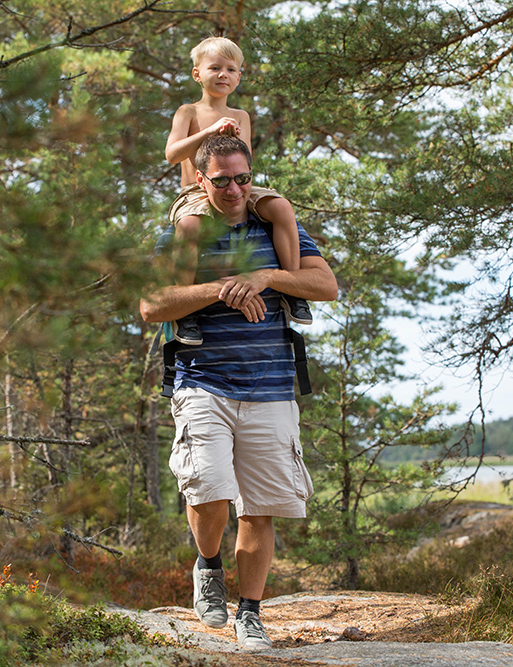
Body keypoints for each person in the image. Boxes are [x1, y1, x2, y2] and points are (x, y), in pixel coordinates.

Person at [139, 135, 338, 650]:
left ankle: (249, 612)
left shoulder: (275, 228)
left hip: (272, 386)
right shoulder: (184, 233)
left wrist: (267, 275)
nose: (233, 189)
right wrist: (221, 287)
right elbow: (151, 304)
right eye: (222, 180)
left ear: (252, 177)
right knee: (209, 493)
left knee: (260, 507)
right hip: (202, 381)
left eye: (242, 178)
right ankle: (208, 565)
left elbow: (326, 286)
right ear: (201, 180)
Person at [164, 36, 312, 345]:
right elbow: (172, 153)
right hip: (196, 192)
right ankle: (184, 308)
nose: (223, 75)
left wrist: (233, 139)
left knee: (281, 207)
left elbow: (244, 165)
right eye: (215, 68)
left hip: (236, 184)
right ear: (197, 74)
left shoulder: (241, 115)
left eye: (231, 70)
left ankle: (292, 287)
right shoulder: (187, 112)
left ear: (239, 77)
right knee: (190, 224)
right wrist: (209, 132)